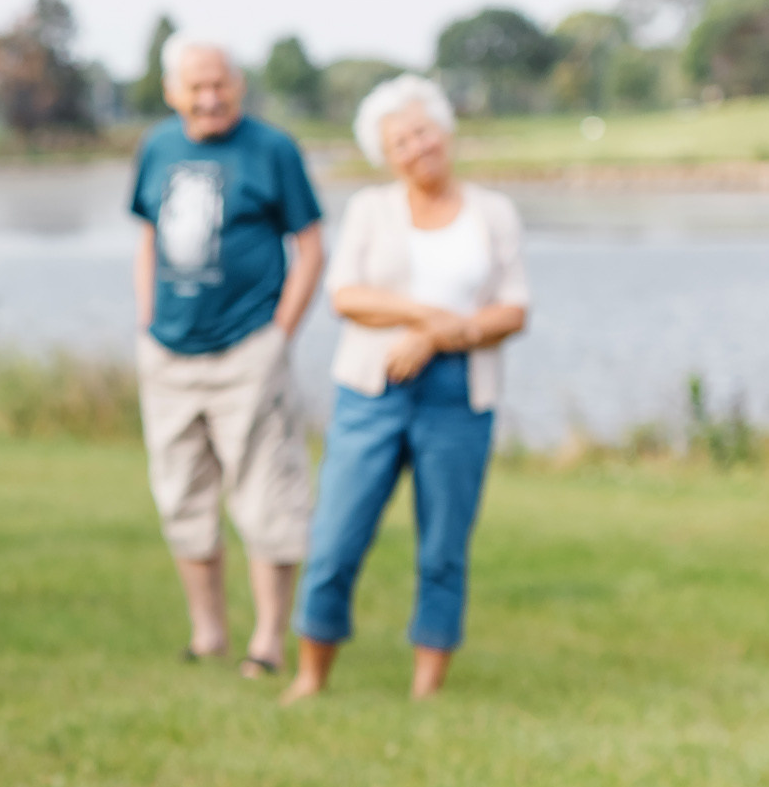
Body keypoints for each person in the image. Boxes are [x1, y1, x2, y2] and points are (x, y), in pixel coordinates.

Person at [284, 76, 529, 704]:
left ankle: (427, 692)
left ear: (444, 130)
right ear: (385, 155)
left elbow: (514, 310)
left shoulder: (493, 212)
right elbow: (347, 296)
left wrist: (440, 339)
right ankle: (311, 677)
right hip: (372, 389)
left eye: (423, 131)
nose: (417, 147)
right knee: (336, 538)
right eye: (401, 141)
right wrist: (428, 319)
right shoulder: (371, 209)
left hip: (460, 395)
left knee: (444, 546)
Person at [129, 35, 326, 677]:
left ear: (239, 85)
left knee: (267, 496)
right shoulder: (157, 147)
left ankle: (267, 642)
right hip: (169, 355)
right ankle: (207, 633)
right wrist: (147, 322)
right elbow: (148, 237)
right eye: (196, 86)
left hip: (248, 350)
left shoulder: (273, 149)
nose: (210, 97)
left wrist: (279, 335)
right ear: (172, 91)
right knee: (182, 496)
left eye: (220, 84)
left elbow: (311, 246)